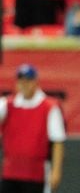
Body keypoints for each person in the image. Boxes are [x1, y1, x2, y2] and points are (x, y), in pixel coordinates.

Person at [0, 64, 66, 193]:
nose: (24, 85)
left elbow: (58, 142)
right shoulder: (8, 105)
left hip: (37, 174)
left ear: (35, 82)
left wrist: (56, 171)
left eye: (28, 81)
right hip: (10, 172)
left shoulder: (49, 107)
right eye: (21, 81)